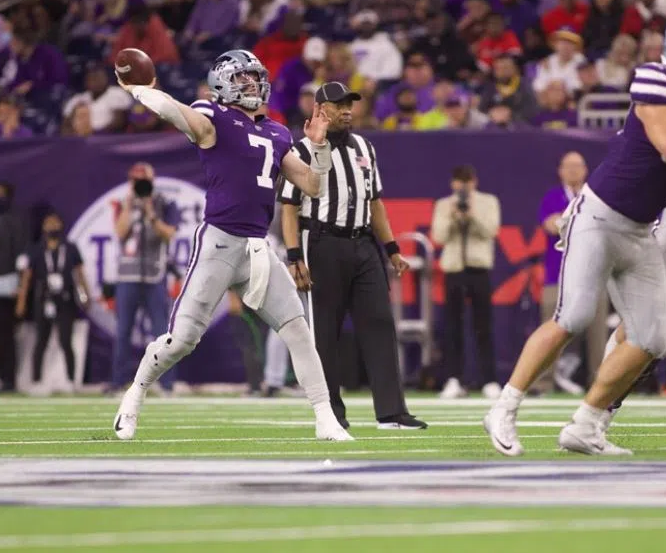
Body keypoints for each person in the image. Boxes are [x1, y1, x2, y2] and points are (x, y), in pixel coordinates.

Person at [484, 14, 666, 456]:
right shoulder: (655, 79)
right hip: (601, 217)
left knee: (653, 337)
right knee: (575, 315)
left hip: (642, 229)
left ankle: (586, 425)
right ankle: (504, 407)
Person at [112, 50, 351, 443]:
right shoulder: (213, 117)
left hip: (258, 248)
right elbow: (174, 112)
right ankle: (134, 394)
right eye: (244, 79)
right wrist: (140, 89)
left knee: (298, 331)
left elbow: (312, 185)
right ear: (224, 83)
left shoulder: (276, 132)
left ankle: (326, 419)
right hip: (220, 242)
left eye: (256, 78)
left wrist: (320, 147)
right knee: (181, 341)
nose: (253, 85)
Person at [278, 81, 426, 430]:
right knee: (324, 333)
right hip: (321, 242)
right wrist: (294, 256)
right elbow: (288, 208)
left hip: (362, 244)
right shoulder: (300, 149)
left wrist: (391, 250)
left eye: (349, 104)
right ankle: (330, 414)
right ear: (320, 109)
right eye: (338, 104)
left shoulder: (364, 146)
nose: (346, 110)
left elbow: (375, 203)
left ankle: (391, 412)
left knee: (379, 322)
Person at [535, 151, 608, 395]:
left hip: (593, 273)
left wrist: (565, 222)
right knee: (550, 329)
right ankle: (543, 382)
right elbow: (548, 224)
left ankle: (601, 382)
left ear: (586, 169)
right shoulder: (553, 196)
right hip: (558, 275)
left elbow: (603, 226)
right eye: (569, 166)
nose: (574, 171)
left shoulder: (594, 196)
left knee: (598, 334)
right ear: (560, 171)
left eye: (578, 166)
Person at [110, 162, 180, 395]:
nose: (139, 184)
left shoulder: (164, 203)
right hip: (127, 276)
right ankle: (118, 382)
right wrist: (130, 207)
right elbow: (120, 233)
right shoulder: (124, 203)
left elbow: (170, 234)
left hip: (154, 276)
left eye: (143, 180)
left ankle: (166, 384)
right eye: (135, 180)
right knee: (122, 332)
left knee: (162, 332)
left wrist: (151, 214)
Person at [432, 165, 502, 399]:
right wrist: (453, 216)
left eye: (468, 181)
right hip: (454, 270)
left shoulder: (488, 201)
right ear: (453, 184)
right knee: (453, 327)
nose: (463, 186)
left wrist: (472, 215)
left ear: (475, 182)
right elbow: (439, 237)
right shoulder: (444, 204)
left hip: (479, 269)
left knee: (483, 326)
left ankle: (489, 380)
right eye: (459, 182)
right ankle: (453, 379)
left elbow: (491, 231)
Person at [15, 212, 90, 395]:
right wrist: (22, 301)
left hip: (65, 299)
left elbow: (79, 272)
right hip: (44, 299)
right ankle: (36, 381)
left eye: (55, 223)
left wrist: (86, 294)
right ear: (43, 227)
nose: (52, 227)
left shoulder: (70, 248)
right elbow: (27, 277)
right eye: (48, 223)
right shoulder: (36, 249)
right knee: (41, 340)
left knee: (66, 340)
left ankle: (71, 380)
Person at [0, 182, 27, 393]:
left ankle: (7, 381)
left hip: (2, 289)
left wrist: (19, 291)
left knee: (5, 338)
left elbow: (22, 260)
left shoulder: (15, 223)